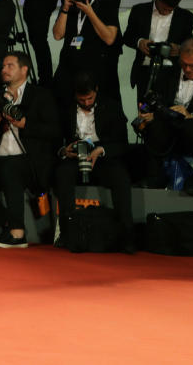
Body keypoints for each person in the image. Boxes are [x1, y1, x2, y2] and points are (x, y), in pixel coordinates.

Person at [0, 52, 59, 248]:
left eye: (9, 66)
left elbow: (55, 131)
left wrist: (25, 124)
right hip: (1, 155)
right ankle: (5, 222)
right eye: (3, 66)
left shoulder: (40, 95)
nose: (4, 70)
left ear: (24, 69)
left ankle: (18, 234)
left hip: (29, 159)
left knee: (11, 169)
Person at [135, 38, 193, 195]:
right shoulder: (167, 74)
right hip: (169, 133)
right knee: (155, 125)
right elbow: (152, 101)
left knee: (192, 125)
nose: (188, 70)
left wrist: (192, 116)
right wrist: (147, 112)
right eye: (184, 64)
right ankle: (155, 177)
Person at [53, 71, 135, 253]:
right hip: (74, 155)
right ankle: (67, 234)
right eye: (82, 100)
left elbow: (122, 143)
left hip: (102, 154)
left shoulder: (111, 107)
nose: (87, 103)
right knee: (62, 173)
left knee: (120, 176)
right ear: (75, 95)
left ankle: (127, 236)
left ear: (96, 90)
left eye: (89, 98)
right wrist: (63, 151)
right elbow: (54, 138)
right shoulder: (65, 108)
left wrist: (101, 150)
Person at [52, 0, 120, 106]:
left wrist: (90, 12)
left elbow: (109, 38)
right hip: (67, 67)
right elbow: (57, 35)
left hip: (93, 68)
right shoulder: (71, 3)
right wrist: (64, 8)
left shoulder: (106, 3)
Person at [123, 0, 193, 103]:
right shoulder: (139, 10)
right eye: (164, 8)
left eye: (170, 10)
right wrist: (140, 42)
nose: (166, 12)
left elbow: (189, 44)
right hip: (145, 70)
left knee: (169, 111)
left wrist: (179, 49)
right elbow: (127, 37)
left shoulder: (186, 17)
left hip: (171, 72)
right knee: (144, 112)